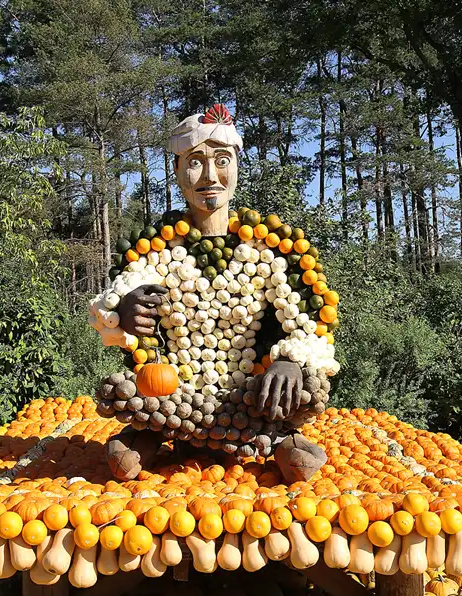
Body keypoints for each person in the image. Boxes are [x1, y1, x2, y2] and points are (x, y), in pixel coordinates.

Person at [94, 104, 332, 483]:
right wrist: (123, 310)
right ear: (175, 171)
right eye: (194, 162)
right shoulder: (153, 247)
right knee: (123, 390)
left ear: (237, 166)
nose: (210, 176)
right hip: (174, 396)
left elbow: (312, 323)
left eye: (222, 161)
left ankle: (273, 435)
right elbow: (119, 292)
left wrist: (290, 361)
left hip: (250, 397)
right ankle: (160, 432)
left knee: (310, 386)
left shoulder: (275, 248)